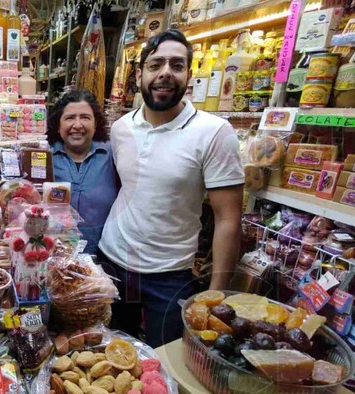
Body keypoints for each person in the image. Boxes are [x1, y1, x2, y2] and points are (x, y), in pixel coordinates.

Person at [99, 29, 244, 347]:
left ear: (188, 75)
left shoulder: (214, 132)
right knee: (111, 353)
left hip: (168, 275)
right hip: (113, 261)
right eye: (156, 64)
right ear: (139, 74)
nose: (165, 72)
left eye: (176, 65)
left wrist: (214, 298)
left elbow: (228, 219)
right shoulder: (122, 128)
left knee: (164, 360)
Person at [48, 89, 119, 255]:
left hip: (105, 255)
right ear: (58, 125)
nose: (77, 125)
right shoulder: (44, 156)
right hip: (53, 255)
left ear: (95, 125)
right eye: (70, 118)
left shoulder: (113, 155)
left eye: (85, 117)